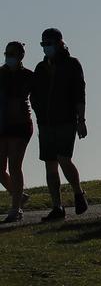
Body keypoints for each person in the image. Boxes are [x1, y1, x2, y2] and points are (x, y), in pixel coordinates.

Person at [30, 28, 88, 222]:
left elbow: (80, 93)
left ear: (60, 43)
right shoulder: (40, 67)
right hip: (46, 123)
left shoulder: (72, 64)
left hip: (66, 121)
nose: (46, 47)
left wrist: (81, 120)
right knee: (50, 165)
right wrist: (39, 114)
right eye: (43, 44)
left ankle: (78, 193)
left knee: (64, 159)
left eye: (49, 43)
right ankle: (57, 207)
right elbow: (35, 95)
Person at [1, 41, 34, 222]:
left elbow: (36, 98)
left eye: (12, 54)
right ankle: (18, 195)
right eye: (7, 53)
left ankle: (16, 208)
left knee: (14, 166)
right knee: (0, 168)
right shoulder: (1, 73)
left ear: (21, 56)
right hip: (2, 125)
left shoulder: (28, 76)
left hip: (20, 125)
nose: (9, 57)